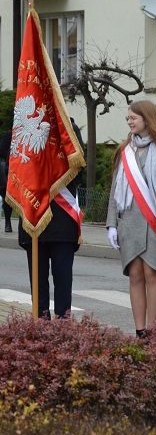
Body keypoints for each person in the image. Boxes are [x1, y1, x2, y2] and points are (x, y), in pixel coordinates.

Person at [105, 101, 156, 337]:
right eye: (128, 118)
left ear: (147, 119)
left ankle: (154, 330)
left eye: (134, 118)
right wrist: (111, 224)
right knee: (135, 275)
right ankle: (140, 332)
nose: (130, 122)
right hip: (128, 221)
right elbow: (115, 189)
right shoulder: (124, 151)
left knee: (152, 274)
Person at [17, 120, 84, 319]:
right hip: (34, 218)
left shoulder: (69, 128)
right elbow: (11, 170)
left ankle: (62, 329)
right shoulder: (23, 127)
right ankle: (41, 328)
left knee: (63, 279)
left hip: (62, 220)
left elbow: (79, 168)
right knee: (37, 283)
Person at [0, 130, 12, 233]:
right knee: (8, 197)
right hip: (12, 169)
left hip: (27, 170)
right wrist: (10, 158)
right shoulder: (10, 134)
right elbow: (2, 150)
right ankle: (8, 222)